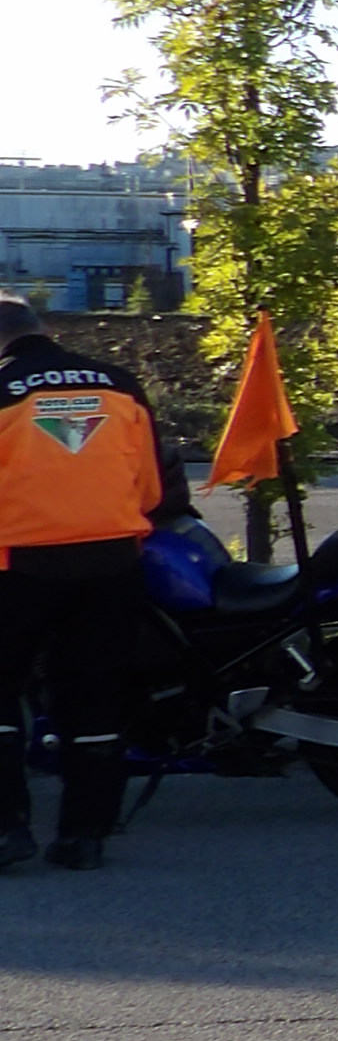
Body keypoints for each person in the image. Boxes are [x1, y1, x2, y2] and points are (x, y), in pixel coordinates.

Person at [0, 296, 182, 871]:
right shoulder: (119, 384)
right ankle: (85, 837)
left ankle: (7, 830)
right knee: (95, 699)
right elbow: (149, 489)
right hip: (112, 563)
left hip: (18, 564)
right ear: (42, 330)